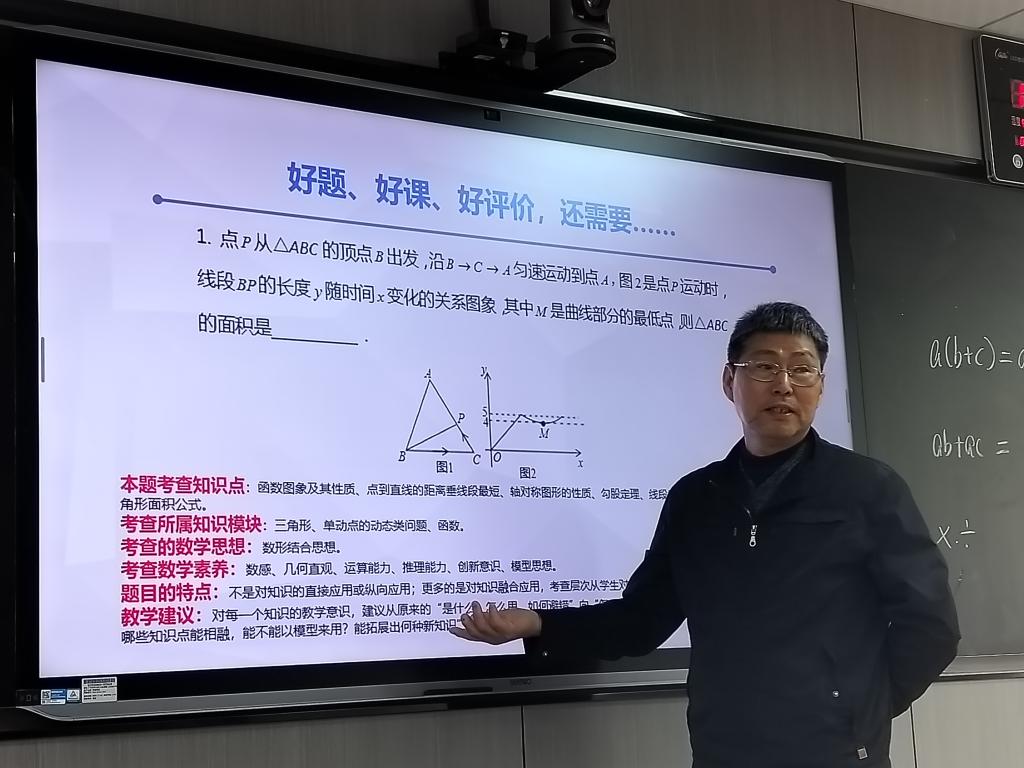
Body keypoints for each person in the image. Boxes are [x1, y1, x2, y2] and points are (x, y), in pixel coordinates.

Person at [450, 301, 959, 768]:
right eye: (764, 366)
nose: (784, 384)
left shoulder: (867, 489)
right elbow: (640, 620)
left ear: (820, 387)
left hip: (838, 753)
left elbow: (931, 625)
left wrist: (861, 708)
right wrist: (540, 623)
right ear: (730, 381)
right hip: (724, 749)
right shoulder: (696, 499)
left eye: (802, 369)